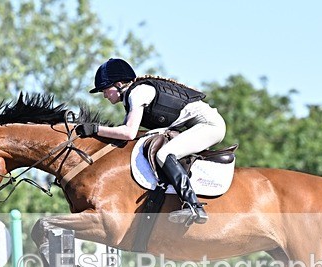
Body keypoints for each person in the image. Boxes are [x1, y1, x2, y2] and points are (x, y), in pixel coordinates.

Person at [76, 58, 226, 225]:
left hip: (210, 125)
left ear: (118, 84)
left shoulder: (138, 93)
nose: (104, 95)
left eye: (105, 89)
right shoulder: (133, 94)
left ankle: (194, 206)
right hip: (198, 125)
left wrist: (95, 129)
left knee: (165, 154)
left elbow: (128, 133)